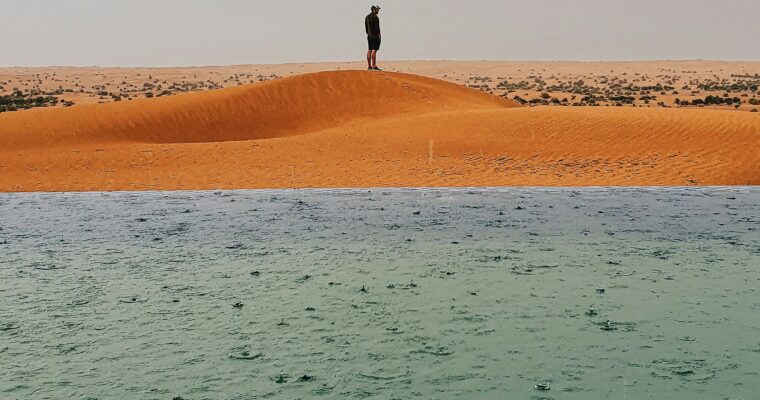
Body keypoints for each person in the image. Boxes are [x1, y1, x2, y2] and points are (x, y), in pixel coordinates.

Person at [365, 5, 382, 71]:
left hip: (369, 36)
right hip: (375, 36)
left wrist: (368, 33)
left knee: (369, 50)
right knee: (374, 51)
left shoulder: (367, 17)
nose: (378, 11)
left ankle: (369, 66)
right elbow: (377, 28)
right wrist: (379, 35)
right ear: (374, 10)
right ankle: (374, 66)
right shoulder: (375, 17)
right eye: (377, 9)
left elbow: (366, 28)